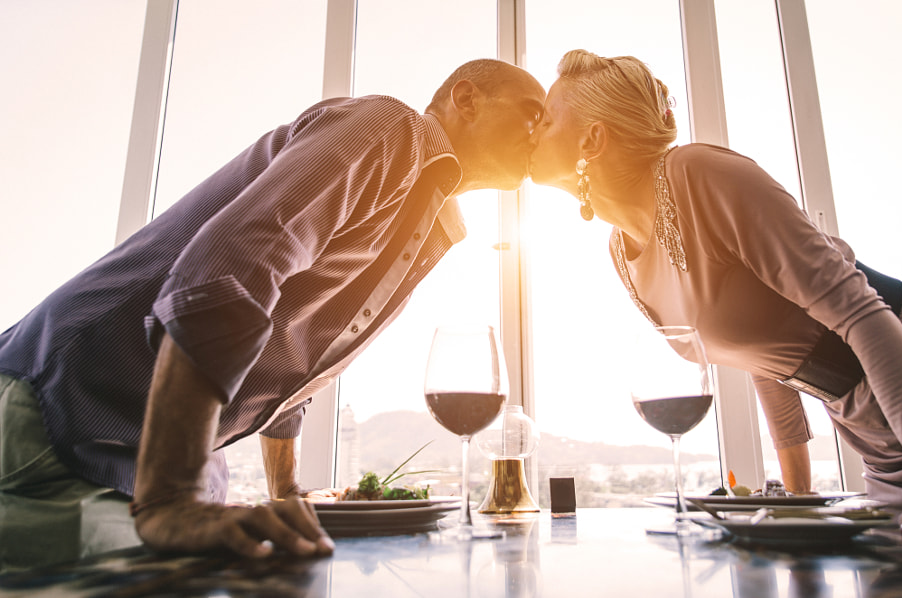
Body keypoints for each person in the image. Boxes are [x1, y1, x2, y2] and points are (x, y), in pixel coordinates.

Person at [0, 58, 546, 570]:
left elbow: (290, 376)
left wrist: (285, 492)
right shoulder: (390, 129)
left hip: (125, 460)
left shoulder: (429, 222)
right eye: (532, 113)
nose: (541, 133)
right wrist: (173, 499)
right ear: (467, 99)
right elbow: (229, 272)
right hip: (57, 411)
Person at [528, 49, 902, 544]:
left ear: (592, 138)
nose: (534, 129)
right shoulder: (621, 250)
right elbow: (764, 350)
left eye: (547, 118)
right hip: (883, 442)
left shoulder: (698, 174)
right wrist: (796, 495)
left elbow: (861, 314)